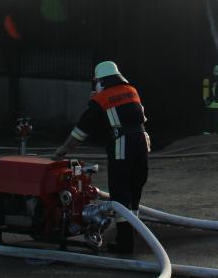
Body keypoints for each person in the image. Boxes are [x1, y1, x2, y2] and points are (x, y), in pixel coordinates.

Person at [51, 61, 149, 254]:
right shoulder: (132, 91)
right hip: (141, 144)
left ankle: (125, 244)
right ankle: (132, 238)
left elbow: (83, 128)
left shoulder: (103, 98)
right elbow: (136, 117)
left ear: (101, 81)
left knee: (120, 196)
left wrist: (63, 149)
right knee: (134, 192)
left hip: (122, 147)